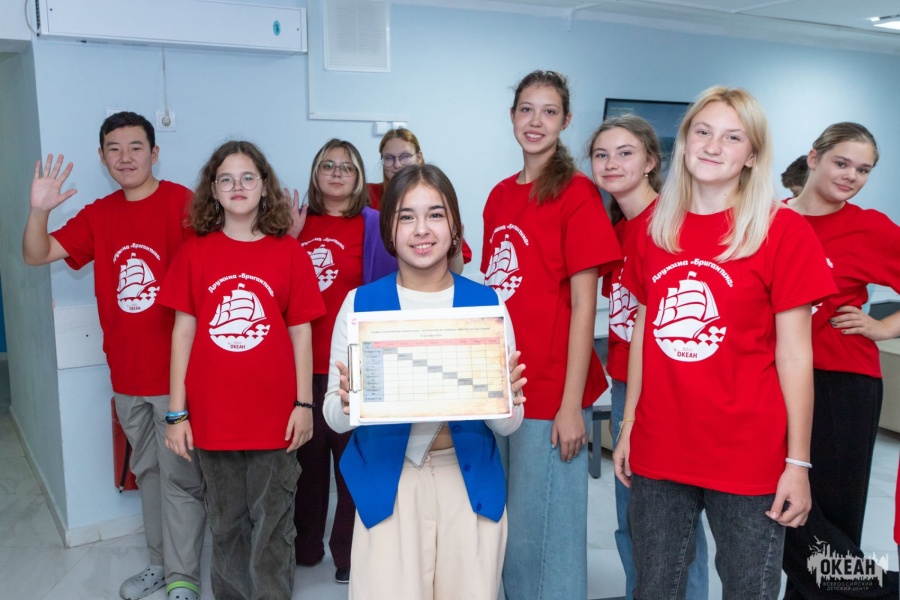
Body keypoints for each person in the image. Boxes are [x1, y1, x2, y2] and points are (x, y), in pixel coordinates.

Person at [612, 86, 836, 599]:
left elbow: (795, 356)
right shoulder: (653, 229)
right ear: (685, 142)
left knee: (748, 590)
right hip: (661, 445)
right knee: (654, 589)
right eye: (703, 132)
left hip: (747, 453)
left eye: (733, 137)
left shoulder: (783, 231)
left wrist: (798, 463)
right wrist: (628, 425)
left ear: (752, 155)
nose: (713, 146)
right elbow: (645, 333)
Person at [22, 112, 206, 600]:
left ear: (154, 153)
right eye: (114, 149)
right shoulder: (99, 215)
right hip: (125, 378)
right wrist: (38, 210)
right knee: (148, 475)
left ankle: (184, 577)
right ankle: (160, 564)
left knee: (180, 481)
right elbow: (36, 254)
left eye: (136, 147)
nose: (125, 158)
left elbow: (221, 264)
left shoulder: (184, 205)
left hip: (177, 379)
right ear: (102, 157)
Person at [324, 163, 526, 599]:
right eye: (406, 216)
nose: (421, 229)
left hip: (467, 487)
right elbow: (334, 417)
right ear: (389, 230)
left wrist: (507, 399)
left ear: (454, 227)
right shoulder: (360, 304)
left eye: (435, 214)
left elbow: (509, 425)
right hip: (388, 487)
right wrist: (347, 402)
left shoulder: (486, 304)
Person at [160, 140, 325, 600]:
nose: (238, 186)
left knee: (273, 525)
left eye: (248, 177)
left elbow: (301, 334)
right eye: (226, 179)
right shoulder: (194, 253)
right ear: (213, 190)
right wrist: (176, 413)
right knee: (227, 525)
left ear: (264, 186)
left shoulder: (289, 253)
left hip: (276, 420)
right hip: (213, 419)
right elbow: (182, 335)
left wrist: (304, 404)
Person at [482, 69, 621, 600]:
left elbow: (586, 304)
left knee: (547, 534)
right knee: (511, 528)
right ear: (511, 116)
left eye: (548, 111)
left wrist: (570, 405)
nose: (535, 121)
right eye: (526, 109)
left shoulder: (577, 193)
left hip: (551, 388)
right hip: (503, 385)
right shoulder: (499, 196)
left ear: (565, 121)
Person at [590, 114, 709, 600]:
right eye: (601, 154)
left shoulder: (671, 223)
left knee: (674, 525)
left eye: (625, 153)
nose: (611, 163)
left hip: (665, 390)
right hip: (625, 384)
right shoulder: (617, 228)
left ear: (651, 162)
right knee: (632, 519)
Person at [782, 122, 900, 599]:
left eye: (863, 170)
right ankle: (883, 589)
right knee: (776, 505)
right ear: (814, 158)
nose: (852, 176)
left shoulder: (869, 227)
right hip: (775, 380)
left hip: (843, 383)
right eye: (842, 163)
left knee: (832, 513)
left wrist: (883, 327)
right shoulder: (771, 219)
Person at [292, 139, 396, 584]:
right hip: (302, 369)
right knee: (306, 466)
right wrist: (288, 236)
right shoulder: (293, 223)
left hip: (354, 367)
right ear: (316, 174)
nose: (337, 173)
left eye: (347, 167)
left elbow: (389, 290)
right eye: (328, 166)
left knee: (353, 466)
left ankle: (349, 555)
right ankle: (305, 548)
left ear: (359, 178)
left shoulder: (374, 223)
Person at [369, 128, 472, 271]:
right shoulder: (369, 196)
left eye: (405, 156)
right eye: (389, 158)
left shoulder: (437, 196)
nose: (397, 164)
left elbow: (456, 268)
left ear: (419, 157)